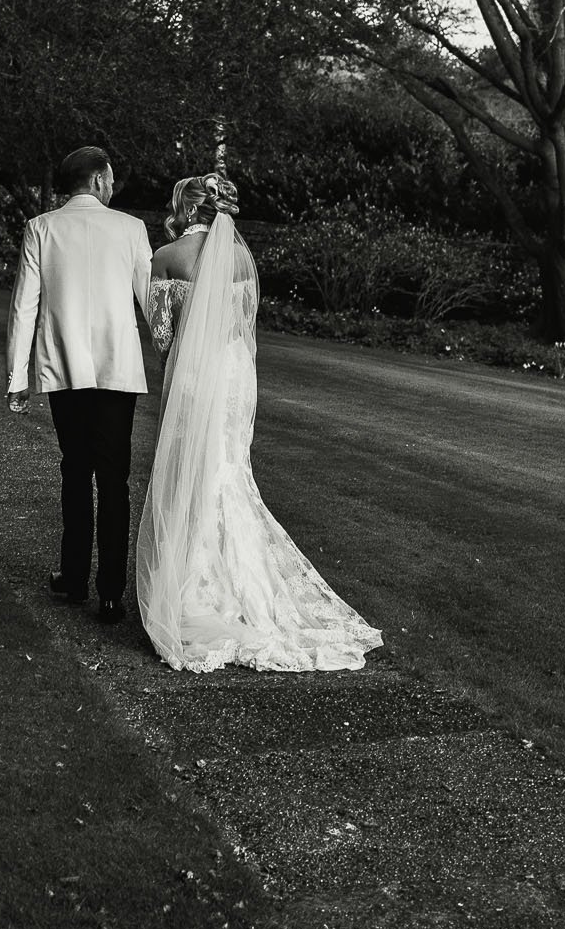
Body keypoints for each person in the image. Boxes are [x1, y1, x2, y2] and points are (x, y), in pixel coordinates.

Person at [136, 171, 383, 671]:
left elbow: (163, 338)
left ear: (186, 209)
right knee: (229, 469)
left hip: (194, 374)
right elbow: (244, 328)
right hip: (234, 376)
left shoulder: (166, 258)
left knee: (192, 473)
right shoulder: (242, 257)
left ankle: (192, 589)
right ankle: (244, 585)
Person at [5, 146, 152, 624]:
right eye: (110, 177)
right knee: (115, 480)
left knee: (75, 471)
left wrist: (16, 378)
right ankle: (110, 593)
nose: (113, 185)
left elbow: (23, 307)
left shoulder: (41, 229)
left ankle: (73, 580)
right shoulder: (130, 229)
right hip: (117, 371)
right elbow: (152, 303)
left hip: (64, 370)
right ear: (99, 179)